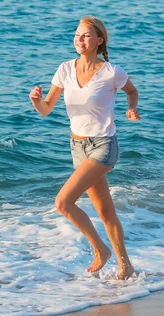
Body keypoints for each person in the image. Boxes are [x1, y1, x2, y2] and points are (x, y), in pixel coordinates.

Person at [29, 16, 140, 279]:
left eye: (86, 35)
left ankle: (101, 250)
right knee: (105, 211)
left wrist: (131, 108)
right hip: (78, 146)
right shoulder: (65, 69)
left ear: (99, 41)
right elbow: (46, 110)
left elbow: (132, 91)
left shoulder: (112, 72)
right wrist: (35, 101)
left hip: (103, 146)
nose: (80, 39)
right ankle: (126, 265)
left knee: (63, 202)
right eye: (77, 35)